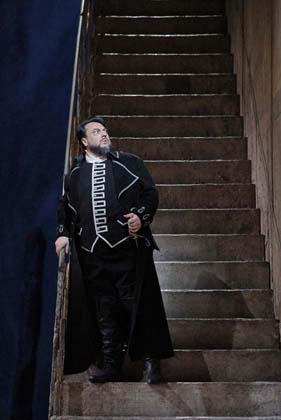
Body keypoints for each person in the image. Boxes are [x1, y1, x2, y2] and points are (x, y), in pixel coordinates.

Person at [55, 116, 174, 383]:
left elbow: (150, 194)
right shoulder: (73, 175)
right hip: (93, 253)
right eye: (97, 132)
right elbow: (64, 209)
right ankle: (111, 364)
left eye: (105, 130)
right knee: (104, 309)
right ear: (84, 141)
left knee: (138, 304)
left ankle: (150, 363)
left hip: (127, 248)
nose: (104, 134)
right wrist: (62, 235)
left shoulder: (129, 163)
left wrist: (140, 217)